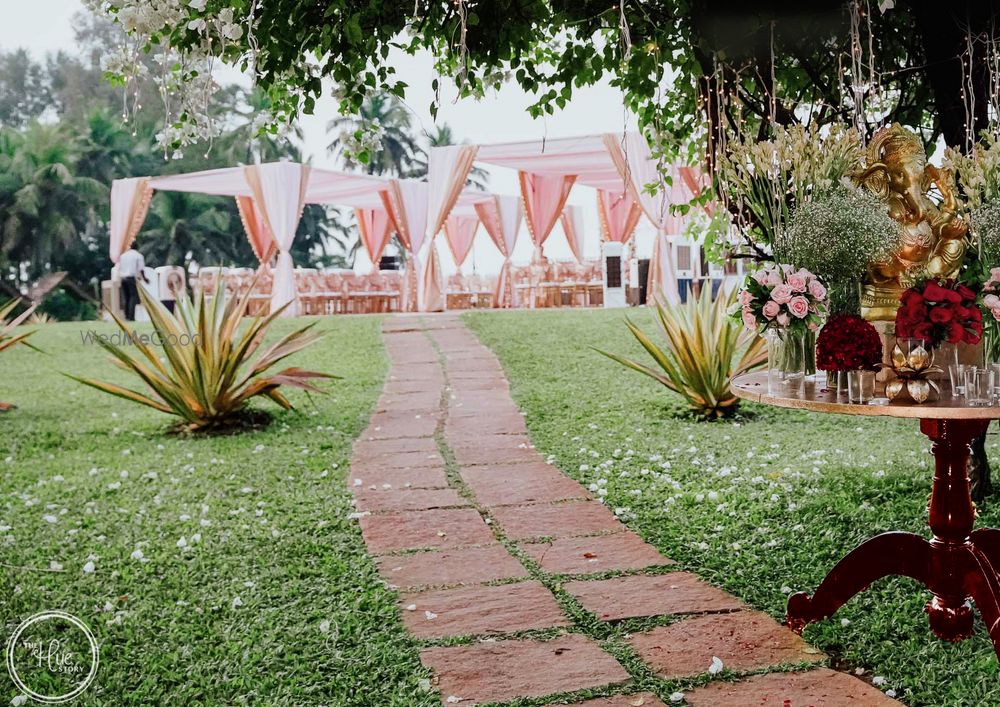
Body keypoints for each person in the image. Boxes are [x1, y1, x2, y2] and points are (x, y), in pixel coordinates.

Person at [118, 247, 148, 321]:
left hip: (123, 278)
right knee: (133, 297)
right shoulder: (138, 255)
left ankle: (126, 316)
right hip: (131, 278)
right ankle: (131, 317)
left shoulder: (123, 256)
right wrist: (145, 278)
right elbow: (141, 269)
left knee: (126, 298)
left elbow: (119, 267)